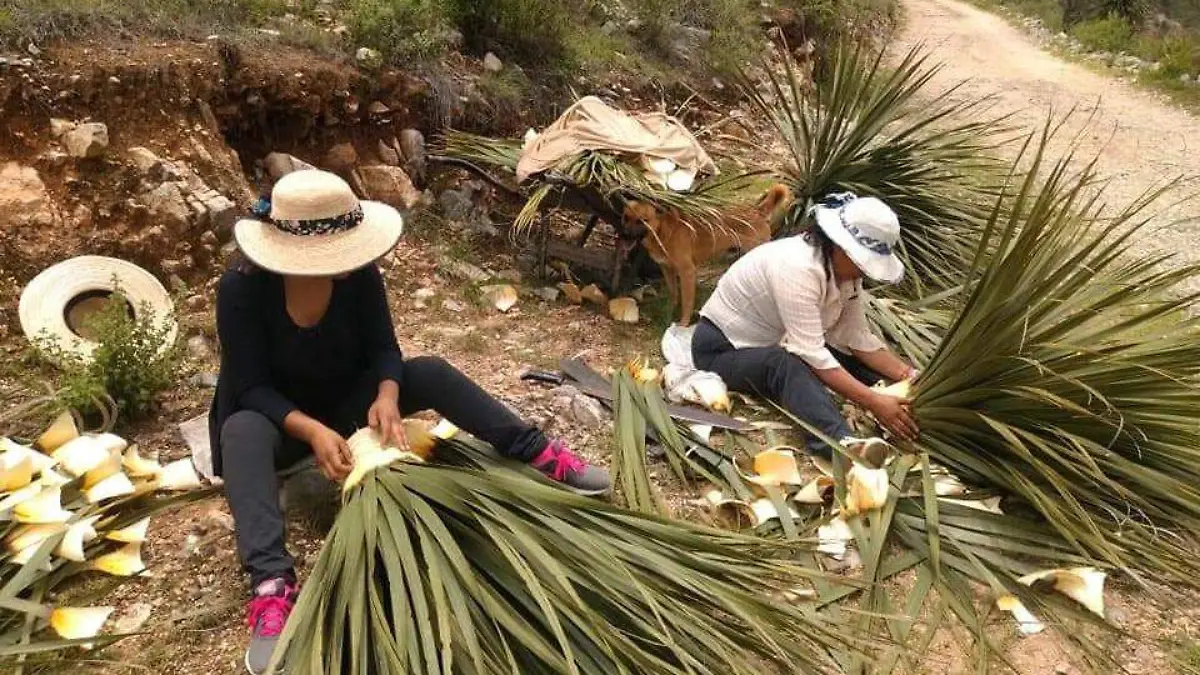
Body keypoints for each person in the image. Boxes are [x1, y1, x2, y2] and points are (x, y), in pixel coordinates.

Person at [209, 169, 611, 674]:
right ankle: (271, 586)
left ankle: (536, 451)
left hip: (347, 406)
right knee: (241, 429)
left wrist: (387, 393)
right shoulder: (242, 290)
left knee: (429, 371)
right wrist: (310, 430)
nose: (346, 262)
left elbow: (384, 348)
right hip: (280, 423)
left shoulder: (358, 276)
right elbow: (250, 386)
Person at [692, 192, 920, 463]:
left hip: (774, 341)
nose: (865, 272)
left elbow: (854, 336)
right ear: (839, 246)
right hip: (722, 350)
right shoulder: (796, 268)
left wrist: (909, 375)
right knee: (785, 365)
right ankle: (840, 443)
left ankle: (906, 406)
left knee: (843, 355)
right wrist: (872, 401)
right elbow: (811, 352)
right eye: (862, 261)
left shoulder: (846, 274)